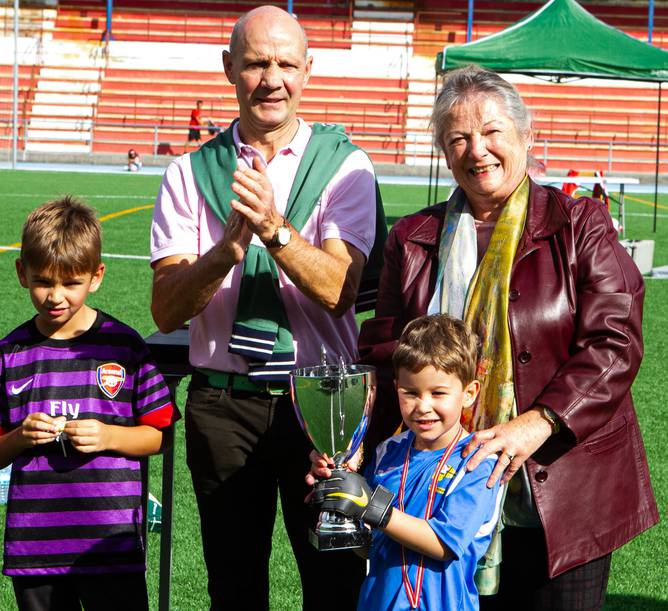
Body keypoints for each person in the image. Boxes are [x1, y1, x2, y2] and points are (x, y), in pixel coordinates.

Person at [320, 65, 658, 610]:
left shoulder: (580, 224)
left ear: (525, 135)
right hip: (439, 493)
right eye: (458, 138)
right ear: (444, 151)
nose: (477, 150)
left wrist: (538, 422)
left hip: (562, 491)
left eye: (492, 131)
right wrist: (355, 447)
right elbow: (385, 360)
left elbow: (614, 342)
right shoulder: (411, 238)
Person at [149, 5, 385, 609]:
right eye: (256, 63)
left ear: (309, 70)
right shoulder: (189, 172)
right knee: (233, 587)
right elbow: (167, 311)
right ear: (229, 67)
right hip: (224, 404)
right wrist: (226, 252)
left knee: (334, 583)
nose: (272, 79)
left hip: (322, 402)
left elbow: (338, 289)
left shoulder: (346, 165)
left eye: (286, 64)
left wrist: (275, 230)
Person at [0, 197, 179, 611]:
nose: (55, 296)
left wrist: (108, 436)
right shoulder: (9, 354)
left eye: (70, 283)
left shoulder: (124, 346)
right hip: (36, 549)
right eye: (43, 281)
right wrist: (21, 436)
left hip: (111, 547)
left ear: (96, 276)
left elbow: (161, 435)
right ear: (22, 273)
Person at [313, 314, 504, 610]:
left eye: (438, 393)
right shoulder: (387, 453)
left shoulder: (478, 463)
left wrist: (370, 507)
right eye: (411, 393)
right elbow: (370, 546)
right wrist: (343, 508)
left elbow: (443, 545)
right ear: (396, 388)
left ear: (469, 393)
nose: (423, 406)